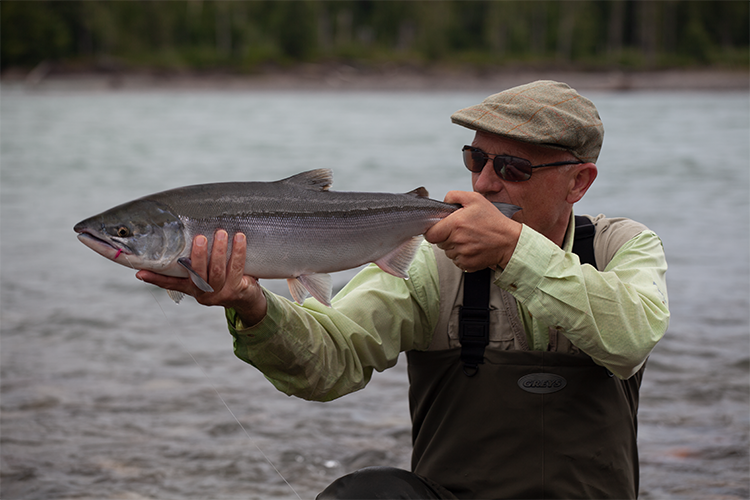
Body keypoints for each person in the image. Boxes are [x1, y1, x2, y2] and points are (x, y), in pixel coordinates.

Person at [138, 80, 669, 499]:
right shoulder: (429, 263)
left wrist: (512, 253)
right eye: (475, 159)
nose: (485, 183)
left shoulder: (623, 247)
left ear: (579, 182)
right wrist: (253, 306)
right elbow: (331, 362)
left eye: (512, 168)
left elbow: (632, 336)